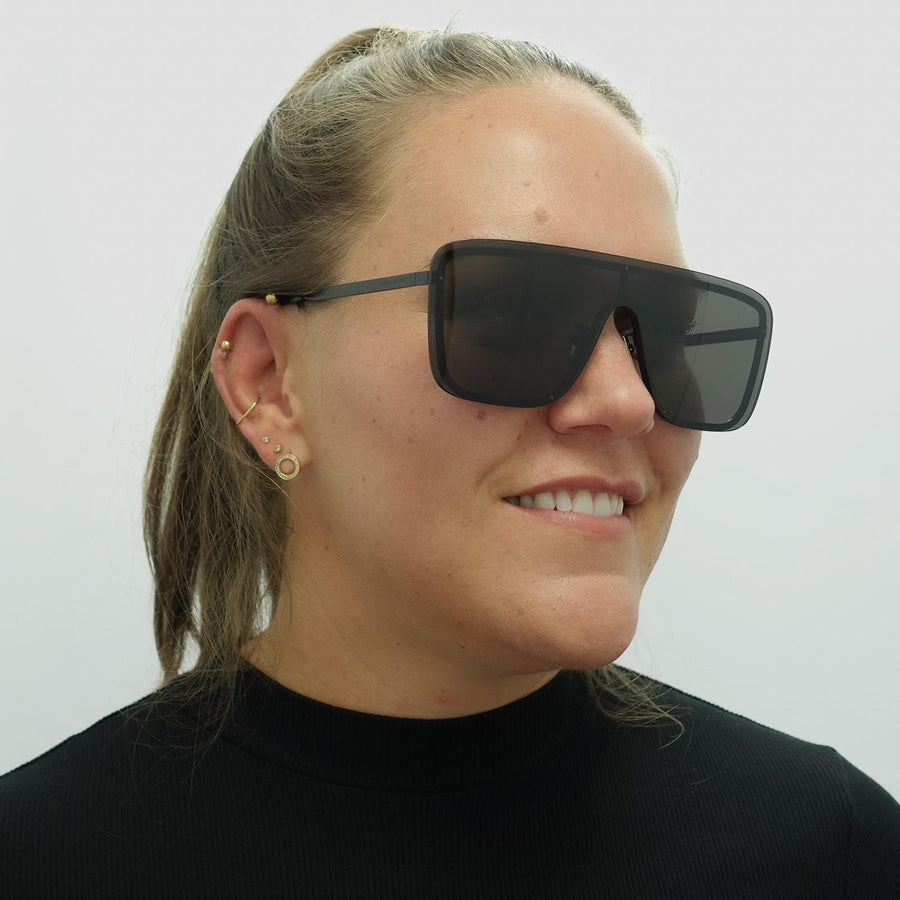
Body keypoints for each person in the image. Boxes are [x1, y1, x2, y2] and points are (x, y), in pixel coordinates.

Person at [1, 25, 898, 898]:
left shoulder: (831, 854)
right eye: (511, 313)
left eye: (665, 332)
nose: (629, 401)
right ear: (270, 384)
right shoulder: (43, 862)